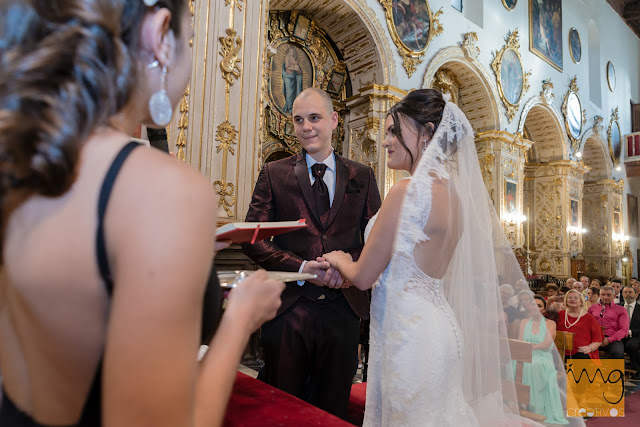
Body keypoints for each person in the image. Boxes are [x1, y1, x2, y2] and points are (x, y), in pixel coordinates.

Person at [0, 1, 286, 426]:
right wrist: (241, 318)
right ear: (160, 34)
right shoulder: (160, 189)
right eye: (188, 42)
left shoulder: (20, 158)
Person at [321, 89, 579, 425]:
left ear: (427, 133)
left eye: (394, 131)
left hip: (409, 333)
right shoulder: (455, 197)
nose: (385, 140)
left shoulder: (406, 191)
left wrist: (339, 258)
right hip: (439, 328)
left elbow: (364, 275)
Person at [242, 87, 381, 419]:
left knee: (333, 406)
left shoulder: (362, 176)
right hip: (289, 309)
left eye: (314, 118)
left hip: (343, 311)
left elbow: (373, 239)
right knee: (284, 406)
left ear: (334, 120)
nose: (306, 127)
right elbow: (253, 236)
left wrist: (345, 269)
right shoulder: (275, 173)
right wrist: (303, 267)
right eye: (298, 120)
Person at [516, 298, 567, 425]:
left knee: (533, 365)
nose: (535, 307)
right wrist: (527, 348)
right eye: (533, 305)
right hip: (525, 353)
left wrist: (529, 347)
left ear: (543, 309)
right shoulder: (524, 322)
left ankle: (534, 406)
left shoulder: (550, 324)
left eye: (539, 305)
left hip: (543, 356)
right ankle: (520, 403)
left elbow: (545, 344)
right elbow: (520, 341)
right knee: (513, 364)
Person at [557, 290, 602, 360]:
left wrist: (589, 348)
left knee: (582, 359)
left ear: (581, 302)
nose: (572, 299)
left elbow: (598, 339)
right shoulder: (559, 315)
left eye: (576, 298)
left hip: (581, 351)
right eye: (570, 297)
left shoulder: (589, 318)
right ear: (566, 301)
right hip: (560, 350)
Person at [588, 286, 628, 359]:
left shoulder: (621, 310)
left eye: (608, 295)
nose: (605, 297)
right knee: (581, 350)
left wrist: (609, 340)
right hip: (594, 337)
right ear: (599, 295)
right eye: (603, 295)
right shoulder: (592, 308)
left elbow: (624, 330)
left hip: (613, 338)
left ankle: (616, 370)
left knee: (617, 352)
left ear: (614, 296)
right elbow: (587, 325)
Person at [620, 285, 640, 379]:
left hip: (635, 335)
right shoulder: (617, 307)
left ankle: (638, 369)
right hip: (619, 335)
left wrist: (630, 332)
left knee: (631, 346)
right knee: (614, 346)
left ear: (636, 294)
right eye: (625, 292)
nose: (628, 295)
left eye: (630, 292)